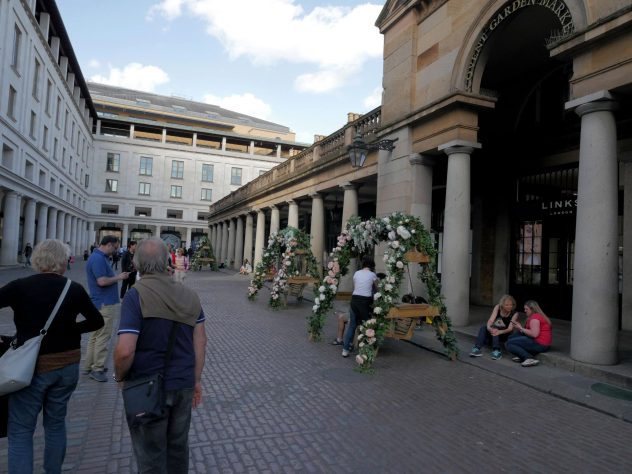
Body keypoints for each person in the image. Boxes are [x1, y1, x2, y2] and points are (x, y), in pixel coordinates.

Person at [0, 239, 104, 474]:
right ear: (63, 261)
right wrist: (69, 330)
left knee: (21, 430)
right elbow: (97, 321)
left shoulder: (20, 286)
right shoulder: (73, 288)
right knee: (55, 424)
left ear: (38, 259)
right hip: (67, 366)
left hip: (31, 368)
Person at [113, 237, 207, 473]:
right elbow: (201, 342)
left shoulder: (136, 295)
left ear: (137, 263)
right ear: (167, 260)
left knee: (151, 455)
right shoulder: (190, 296)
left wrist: (120, 377)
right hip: (183, 384)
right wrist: (196, 380)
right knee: (177, 448)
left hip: (147, 386)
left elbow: (125, 350)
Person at [84, 236, 129, 382]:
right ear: (109, 245)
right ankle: (97, 368)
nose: (115, 251)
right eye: (115, 248)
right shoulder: (98, 259)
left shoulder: (98, 257)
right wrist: (119, 277)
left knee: (95, 336)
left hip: (99, 302)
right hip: (104, 302)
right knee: (103, 336)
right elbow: (102, 281)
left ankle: (89, 365)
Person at [342, 255, 378, 358]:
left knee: (352, 325)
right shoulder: (372, 275)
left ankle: (345, 350)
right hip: (365, 302)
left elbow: (356, 286)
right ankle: (364, 350)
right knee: (367, 325)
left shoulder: (356, 273)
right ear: (372, 265)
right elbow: (377, 289)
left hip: (354, 300)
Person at [469, 294, 520, 360]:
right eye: (507, 305)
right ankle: (477, 349)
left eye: (511, 305)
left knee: (496, 329)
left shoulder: (515, 313)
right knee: (483, 328)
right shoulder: (497, 307)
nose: (509, 307)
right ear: (502, 305)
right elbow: (490, 320)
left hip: (505, 334)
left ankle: (496, 350)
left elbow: (510, 329)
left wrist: (499, 332)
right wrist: (489, 328)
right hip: (495, 332)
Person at [506, 300, 552, 367]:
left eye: (526, 309)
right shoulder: (535, 316)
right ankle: (522, 354)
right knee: (512, 337)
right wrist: (520, 328)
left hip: (541, 344)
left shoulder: (535, 318)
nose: (525, 311)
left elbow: (534, 334)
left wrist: (521, 328)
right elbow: (529, 332)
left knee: (509, 344)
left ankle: (528, 358)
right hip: (541, 342)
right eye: (524, 309)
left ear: (532, 309)